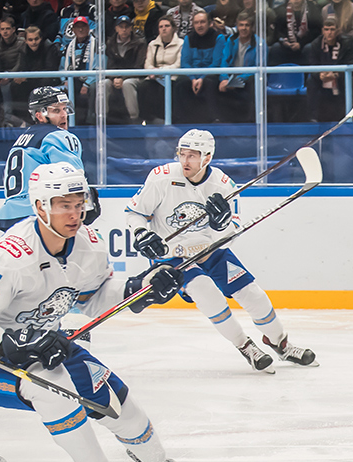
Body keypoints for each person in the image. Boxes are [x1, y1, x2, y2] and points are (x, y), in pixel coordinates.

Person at [0, 163, 207, 462]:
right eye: (63, 205)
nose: (75, 214)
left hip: (49, 344)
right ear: (40, 206)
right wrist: (17, 343)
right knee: (55, 391)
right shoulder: (11, 256)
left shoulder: (89, 244)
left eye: (78, 203)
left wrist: (139, 288)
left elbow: (94, 297)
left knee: (116, 398)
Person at [126, 129, 317, 373]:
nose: (185, 161)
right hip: (172, 256)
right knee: (206, 291)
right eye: (182, 154)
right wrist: (141, 233)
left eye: (192, 155)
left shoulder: (223, 184)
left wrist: (221, 225)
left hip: (210, 250)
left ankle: (281, 343)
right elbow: (135, 213)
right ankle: (245, 346)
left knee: (252, 294)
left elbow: (232, 232)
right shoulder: (161, 177)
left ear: (207, 157)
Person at [0, 86, 88, 231]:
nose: (64, 115)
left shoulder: (22, 138)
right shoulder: (59, 136)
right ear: (39, 115)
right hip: (38, 218)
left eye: (64, 109)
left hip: (6, 218)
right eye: (56, 110)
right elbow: (74, 180)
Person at [175, 10, 225, 123]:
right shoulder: (188, 38)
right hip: (192, 76)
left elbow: (216, 63)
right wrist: (193, 79)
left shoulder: (219, 38)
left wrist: (201, 78)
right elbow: (185, 63)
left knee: (209, 83)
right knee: (180, 83)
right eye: (197, 22)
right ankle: (181, 120)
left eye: (202, 22)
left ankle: (213, 119)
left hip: (210, 74)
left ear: (210, 23)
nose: (199, 25)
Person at [305, 15, 353, 121]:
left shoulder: (347, 43)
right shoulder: (315, 44)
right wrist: (320, 74)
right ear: (322, 31)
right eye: (327, 29)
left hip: (341, 76)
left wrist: (336, 74)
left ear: (338, 31)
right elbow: (313, 64)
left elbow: (351, 63)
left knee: (350, 80)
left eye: (332, 30)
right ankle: (312, 117)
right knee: (311, 81)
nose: (329, 32)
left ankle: (349, 116)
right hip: (322, 76)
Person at [136, 16, 184, 124]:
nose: (164, 29)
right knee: (143, 86)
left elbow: (178, 64)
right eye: (161, 26)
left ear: (173, 28)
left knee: (167, 88)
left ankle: (168, 120)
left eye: (167, 26)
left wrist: (162, 70)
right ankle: (147, 119)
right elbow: (148, 63)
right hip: (155, 76)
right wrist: (153, 71)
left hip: (172, 76)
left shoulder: (181, 43)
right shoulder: (152, 44)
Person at [215, 10, 259, 122]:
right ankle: (217, 119)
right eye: (241, 25)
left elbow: (258, 69)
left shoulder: (260, 44)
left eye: (247, 25)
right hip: (231, 78)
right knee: (211, 81)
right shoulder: (231, 40)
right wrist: (224, 79)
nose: (244, 28)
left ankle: (251, 121)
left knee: (254, 81)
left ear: (252, 27)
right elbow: (224, 61)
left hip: (247, 79)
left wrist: (235, 81)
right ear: (237, 26)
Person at [11, 26, 62, 122]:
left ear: (41, 39)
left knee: (44, 82)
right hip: (31, 79)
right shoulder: (23, 49)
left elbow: (50, 70)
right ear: (25, 40)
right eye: (30, 40)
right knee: (15, 85)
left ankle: (43, 117)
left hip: (47, 79)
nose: (33, 42)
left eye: (36, 39)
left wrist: (27, 78)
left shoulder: (49, 47)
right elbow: (21, 67)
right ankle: (24, 118)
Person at [103, 15, 147, 125]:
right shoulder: (110, 43)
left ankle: (134, 119)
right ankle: (102, 118)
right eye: (121, 27)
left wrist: (123, 78)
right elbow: (109, 65)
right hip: (114, 77)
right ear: (116, 28)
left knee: (127, 84)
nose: (124, 30)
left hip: (134, 77)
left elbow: (139, 65)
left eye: (126, 27)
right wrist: (114, 78)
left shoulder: (140, 43)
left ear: (131, 28)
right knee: (102, 84)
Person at [269, 0, 323, 65]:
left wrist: (301, 43)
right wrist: (284, 41)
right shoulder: (281, 11)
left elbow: (316, 32)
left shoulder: (313, 10)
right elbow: (278, 32)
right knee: (276, 48)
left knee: (310, 48)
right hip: (287, 44)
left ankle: (308, 76)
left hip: (305, 44)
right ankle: (276, 76)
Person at [0, 16, 25, 126]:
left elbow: (20, 63)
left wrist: (8, 76)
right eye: (2, 29)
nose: (5, 31)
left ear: (13, 29)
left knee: (5, 86)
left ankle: (8, 119)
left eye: (7, 29)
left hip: (17, 75)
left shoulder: (22, 43)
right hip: (4, 76)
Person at [62, 16, 98, 126]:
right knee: (64, 89)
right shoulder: (69, 46)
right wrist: (65, 80)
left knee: (93, 88)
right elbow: (62, 66)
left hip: (91, 80)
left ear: (88, 28)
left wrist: (87, 84)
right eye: (78, 27)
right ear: (73, 30)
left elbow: (100, 66)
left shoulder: (97, 45)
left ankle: (90, 122)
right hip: (74, 79)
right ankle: (68, 122)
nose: (81, 30)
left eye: (83, 27)